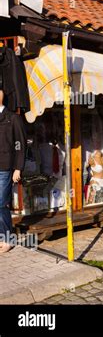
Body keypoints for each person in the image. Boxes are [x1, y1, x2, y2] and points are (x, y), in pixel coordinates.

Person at [0, 89, 26, 253]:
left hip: (5, 167)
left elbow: (21, 144)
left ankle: (6, 238)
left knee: (0, 202)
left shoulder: (12, 118)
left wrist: (18, 167)